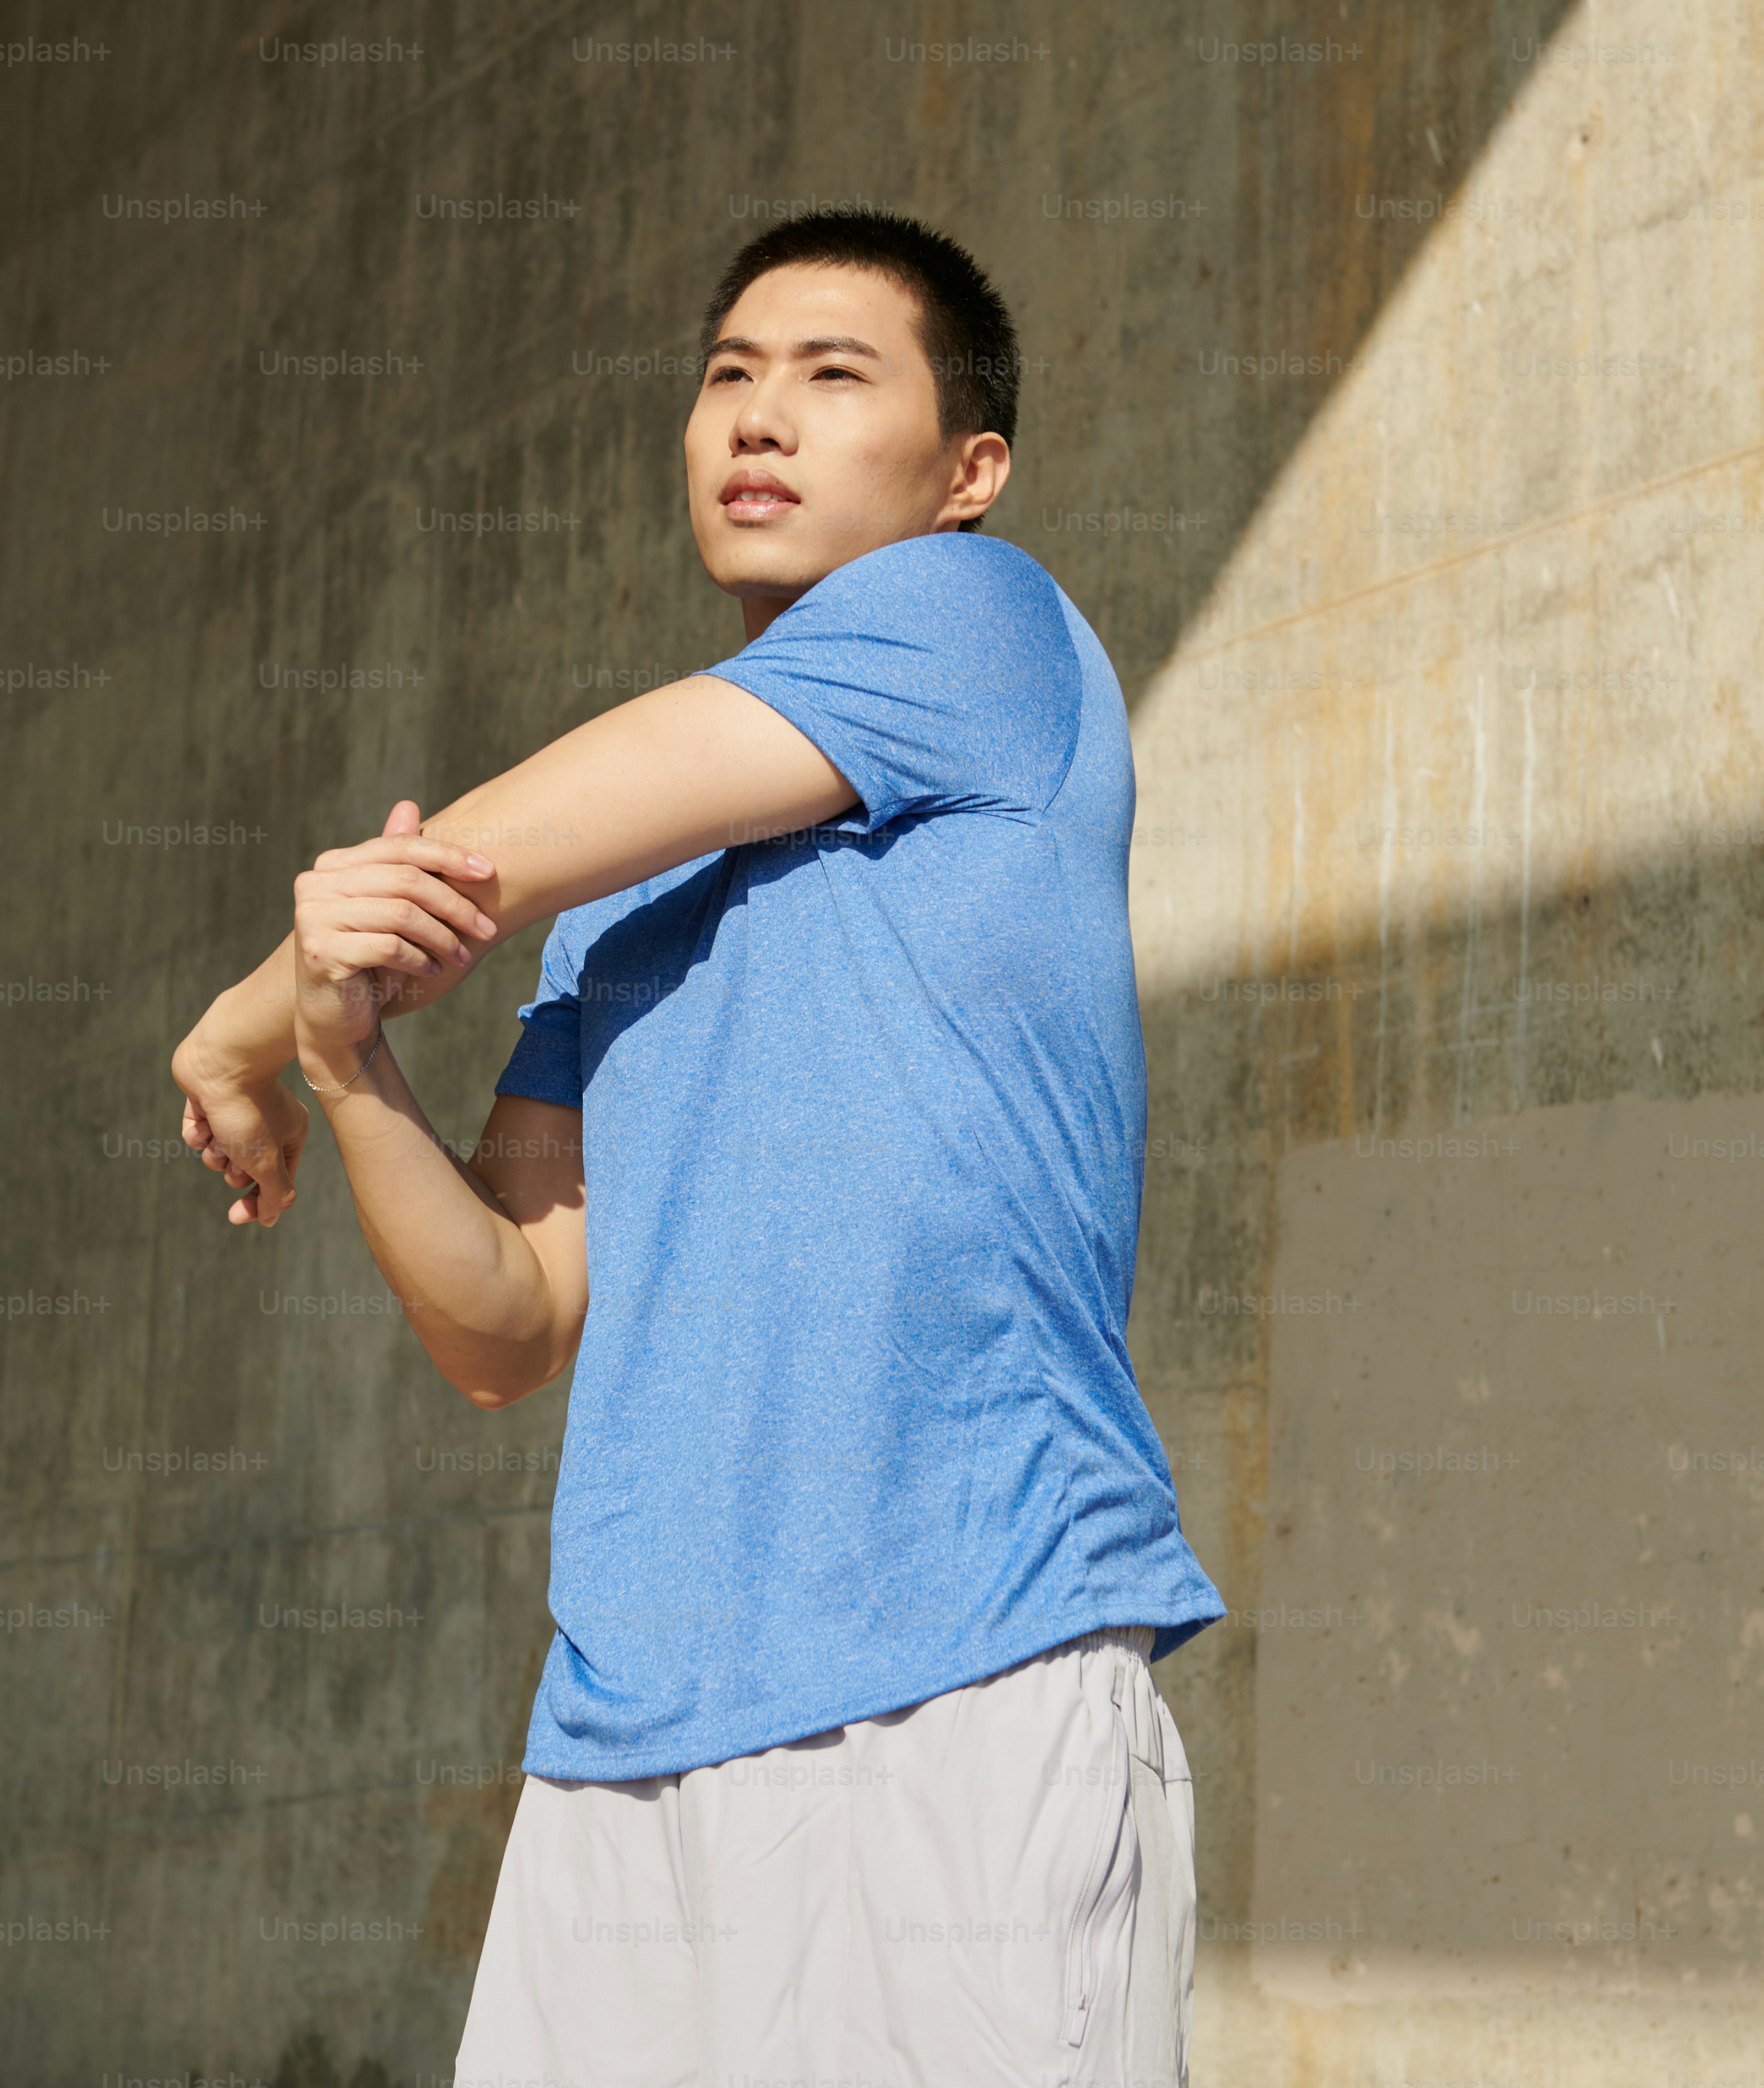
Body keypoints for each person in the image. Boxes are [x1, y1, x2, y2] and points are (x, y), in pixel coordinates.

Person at [171, 207, 1224, 2088]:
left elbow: (474, 867)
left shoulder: (973, 620)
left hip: (962, 1672)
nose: (760, 419)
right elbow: (508, 1319)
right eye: (729, 377)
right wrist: (338, 1061)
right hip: (632, 1730)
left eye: (834, 378)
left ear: (967, 469)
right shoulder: (625, 905)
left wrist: (234, 1031)